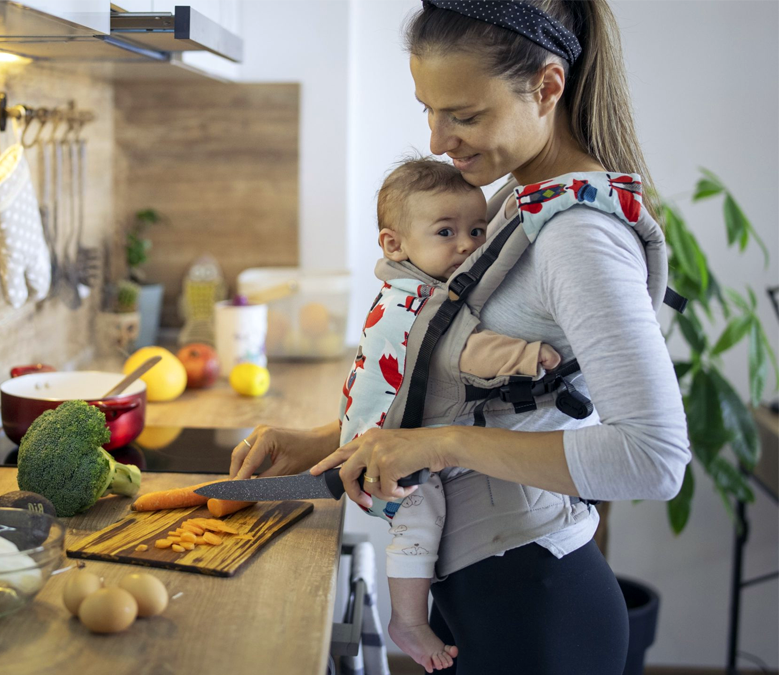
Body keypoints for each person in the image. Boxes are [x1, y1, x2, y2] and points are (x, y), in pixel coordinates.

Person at [229, 1, 689, 673]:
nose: (440, 139)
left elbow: (655, 458)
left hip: (540, 613)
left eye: (465, 115)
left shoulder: (578, 237)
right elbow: (464, 397)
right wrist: (326, 442)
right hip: (489, 593)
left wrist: (434, 444)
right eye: (429, 110)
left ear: (548, 87)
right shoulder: (512, 204)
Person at [344, 156, 563, 671]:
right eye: (446, 231)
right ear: (394, 244)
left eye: (476, 229)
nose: (466, 244)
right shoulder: (414, 303)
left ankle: (412, 615)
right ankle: (408, 619)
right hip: (387, 446)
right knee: (421, 516)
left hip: (381, 429)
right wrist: (530, 355)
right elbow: (465, 351)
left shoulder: (409, 286)